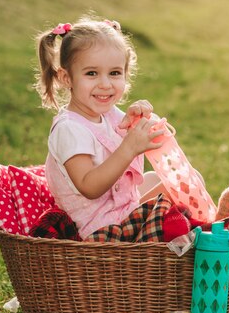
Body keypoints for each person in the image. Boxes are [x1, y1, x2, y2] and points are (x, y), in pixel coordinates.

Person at [35, 16, 166, 239]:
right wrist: (128, 148)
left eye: (114, 73)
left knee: (161, 179)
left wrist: (138, 119)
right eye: (91, 73)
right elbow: (89, 186)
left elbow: (138, 139)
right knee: (172, 195)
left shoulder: (107, 114)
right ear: (67, 78)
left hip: (119, 209)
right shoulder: (69, 129)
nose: (105, 84)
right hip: (100, 228)